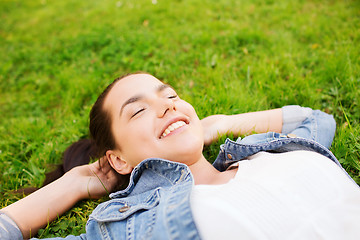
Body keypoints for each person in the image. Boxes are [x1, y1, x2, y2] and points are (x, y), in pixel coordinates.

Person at [1, 73, 360, 240]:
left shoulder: (262, 153)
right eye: (138, 111)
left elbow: (315, 121)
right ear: (119, 160)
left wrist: (214, 126)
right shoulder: (134, 228)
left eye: (169, 95)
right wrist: (78, 182)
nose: (167, 107)